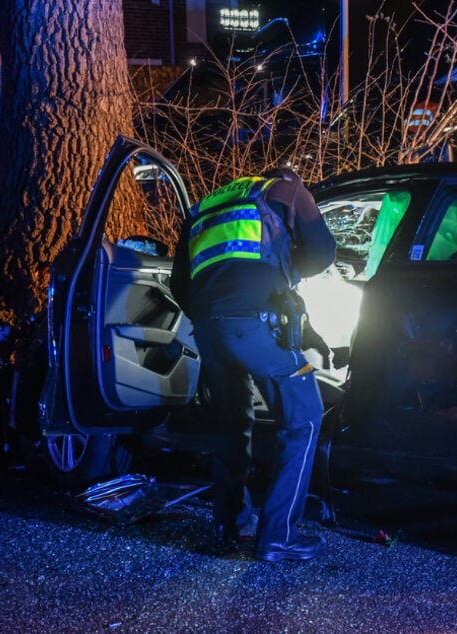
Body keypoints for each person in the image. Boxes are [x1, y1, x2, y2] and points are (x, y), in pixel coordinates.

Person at [170, 168, 336, 562]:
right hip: (260, 327)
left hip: (209, 330)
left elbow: (181, 284)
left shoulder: (202, 208)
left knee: (231, 424)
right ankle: (279, 537)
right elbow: (324, 252)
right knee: (306, 417)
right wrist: (284, 275)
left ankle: (231, 525)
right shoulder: (287, 190)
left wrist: (217, 314)